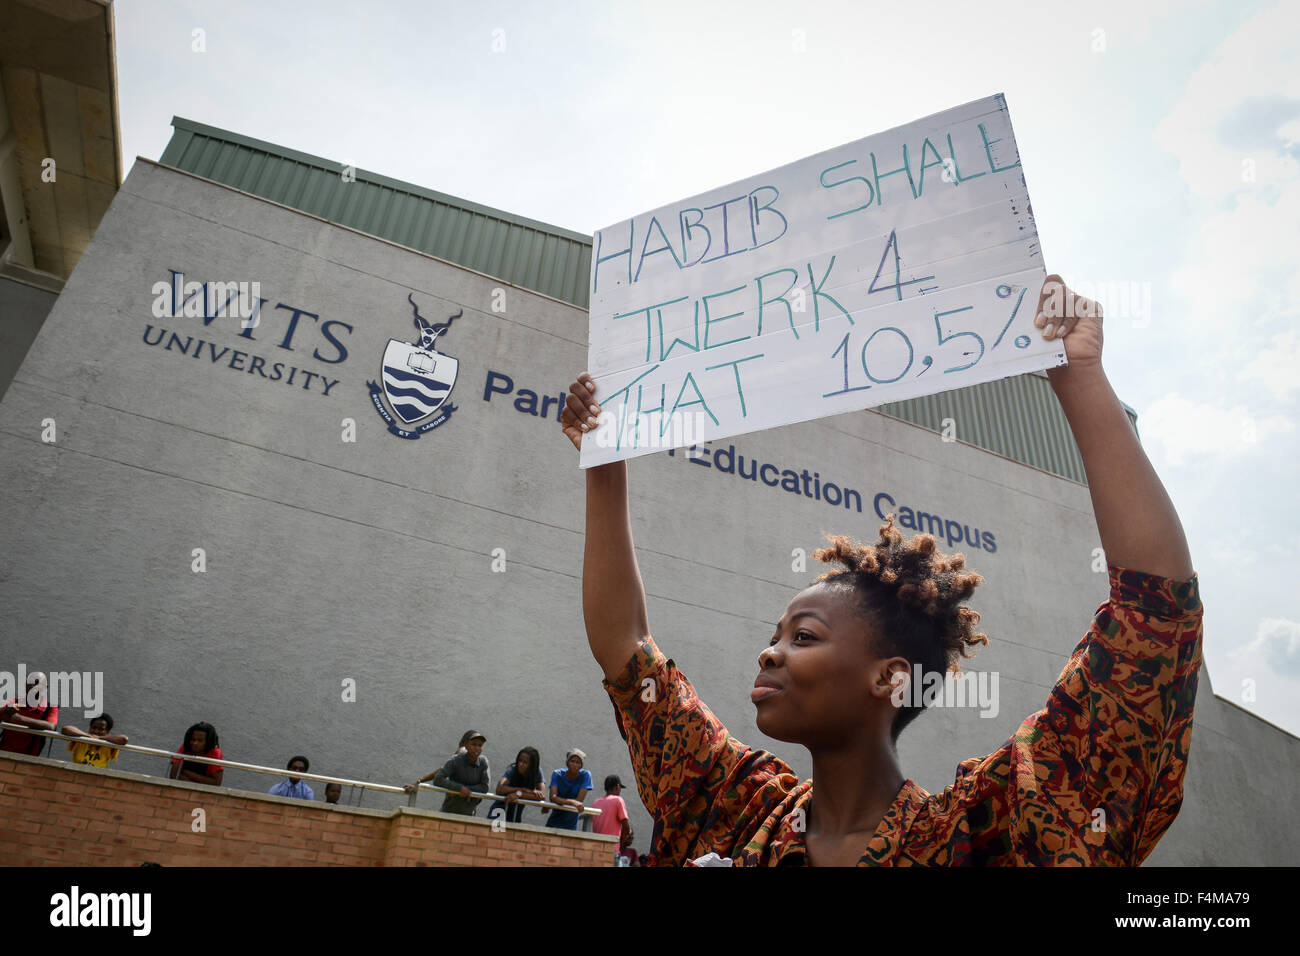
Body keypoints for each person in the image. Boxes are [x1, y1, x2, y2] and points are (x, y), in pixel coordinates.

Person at [560, 274, 1203, 866]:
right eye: (778, 634)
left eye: (802, 637)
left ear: (890, 679)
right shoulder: (735, 813)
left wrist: (1079, 375)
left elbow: (1154, 619)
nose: (770, 652)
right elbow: (626, 648)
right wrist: (605, 464)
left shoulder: (986, 833)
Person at [405, 730, 491, 815]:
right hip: (452, 807)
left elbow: (484, 787)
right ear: (466, 745)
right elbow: (440, 774)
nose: (476, 748)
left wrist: (467, 790)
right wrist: (460, 788)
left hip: (468, 809)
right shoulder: (459, 757)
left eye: (480, 745)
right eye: (473, 744)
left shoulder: (482, 761)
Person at [0, 672, 58, 756]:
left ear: (45, 687)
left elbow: (51, 726)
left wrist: (18, 718)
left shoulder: (50, 708)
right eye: (29, 682)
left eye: (37, 683)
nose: (32, 686)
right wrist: (6, 710)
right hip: (3, 753)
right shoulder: (15, 701)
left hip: (29, 759)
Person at [490, 746, 546, 824]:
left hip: (515, 815)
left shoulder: (536, 772)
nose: (520, 764)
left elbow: (542, 795)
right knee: (495, 834)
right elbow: (499, 789)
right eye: (519, 761)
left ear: (532, 765)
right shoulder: (513, 769)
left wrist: (519, 794)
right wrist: (521, 790)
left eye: (525, 762)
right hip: (499, 812)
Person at [545, 749, 592, 830]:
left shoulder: (585, 775)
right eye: (572, 761)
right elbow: (553, 797)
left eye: (578, 762)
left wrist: (561, 800)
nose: (574, 764)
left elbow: (579, 800)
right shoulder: (557, 774)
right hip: (553, 823)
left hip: (571, 825)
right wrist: (572, 802)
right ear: (567, 763)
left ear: (581, 765)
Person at [62, 714, 128, 767]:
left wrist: (99, 738)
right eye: (94, 727)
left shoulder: (109, 745)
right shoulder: (81, 740)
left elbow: (124, 739)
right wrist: (87, 736)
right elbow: (65, 729)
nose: (96, 731)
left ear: (107, 731)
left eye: (101, 729)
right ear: (90, 727)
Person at [591, 774, 632, 852]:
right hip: (612, 848)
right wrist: (621, 843)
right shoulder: (618, 800)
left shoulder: (596, 803)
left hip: (596, 847)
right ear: (617, 786)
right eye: (620, 788)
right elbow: (626, 827)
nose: (620, 790)